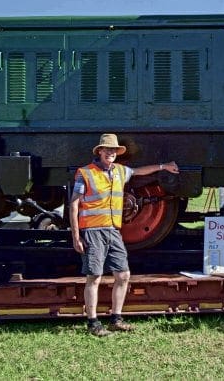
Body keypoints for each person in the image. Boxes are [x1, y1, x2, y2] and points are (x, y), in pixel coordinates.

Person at [70, 133, 180, 337]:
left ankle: (116, 319)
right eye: (107, 150)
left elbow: (138, 172)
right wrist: (76, 236)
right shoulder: (85, 173)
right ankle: (93, 322)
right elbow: (74, 203)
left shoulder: (120, 171)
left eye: (114, 150)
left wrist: (163, 166)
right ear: (100, 151)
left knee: (123, 274)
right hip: (93, 230)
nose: (111, 153)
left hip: (113, 230)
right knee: (94, 276)